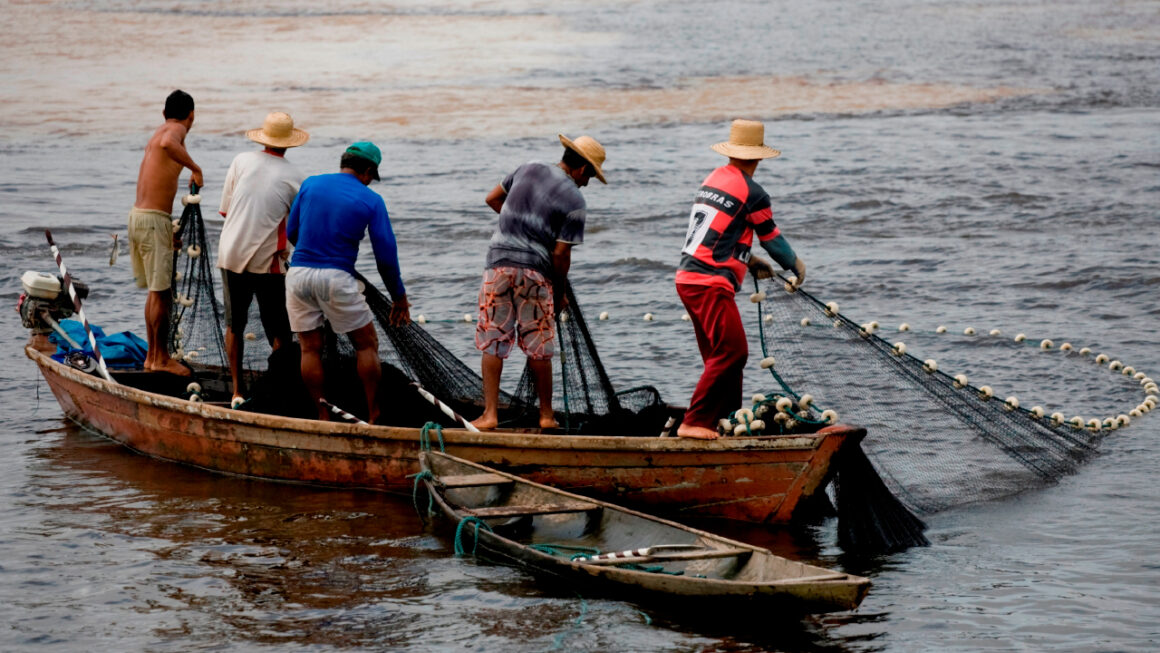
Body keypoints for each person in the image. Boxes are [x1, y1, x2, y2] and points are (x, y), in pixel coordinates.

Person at [675, 119, 807, 440]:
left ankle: (728, 418)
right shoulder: (753, 193)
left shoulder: (713, 179)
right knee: (733, 354)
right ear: (758, 157)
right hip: (710, 283)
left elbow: (719, 233)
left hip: (688, 277)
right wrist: (796, 266)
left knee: (720, 357)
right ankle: (693, 423)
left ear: (732, 152)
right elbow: (772, 239)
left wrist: (748, 262)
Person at [471, 133, 607, 431]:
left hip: (498, 266)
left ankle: (490, 414)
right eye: (590, 177)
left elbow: (493, 199)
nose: (587, 183)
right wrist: (559, 293)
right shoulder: (575, 200)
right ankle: (546, 416)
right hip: (535, 273)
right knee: (539, 347)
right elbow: (560, 256)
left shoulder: (527, 167)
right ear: (582, 170)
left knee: (492, 341)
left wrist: (518, 225)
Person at [285, 142, 410, 423]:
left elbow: (292, 230)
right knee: (366, 344)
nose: (369, 182)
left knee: (309, 348)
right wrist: (398, 297)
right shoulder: (371, 199)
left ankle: (322, 415)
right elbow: (385, 257)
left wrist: (312, 255)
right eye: (370, 176)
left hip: (298, 273)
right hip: (337, 278)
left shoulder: (310, 184)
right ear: (367, 170)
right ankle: (374, 414)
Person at [217, 112, 309, 407]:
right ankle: (279, 389)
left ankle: (236, 390)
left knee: (235, 325)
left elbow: (227, 211)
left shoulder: (240, 161)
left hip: (230, 253)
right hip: (267, 261)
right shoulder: (296, 177)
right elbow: (297, 228)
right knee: (280, 330)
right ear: (289, 143)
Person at [128, 89, 203, 376]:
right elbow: (168, 143)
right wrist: (195, 168)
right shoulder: (174, 131)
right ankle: (160, 360)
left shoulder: (159, 129)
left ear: (163, 113)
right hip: (151, 220)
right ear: (191, 115)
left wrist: (164, 229)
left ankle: (152, 357)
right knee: (161, 293)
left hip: (140, 218)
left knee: (157, 292)